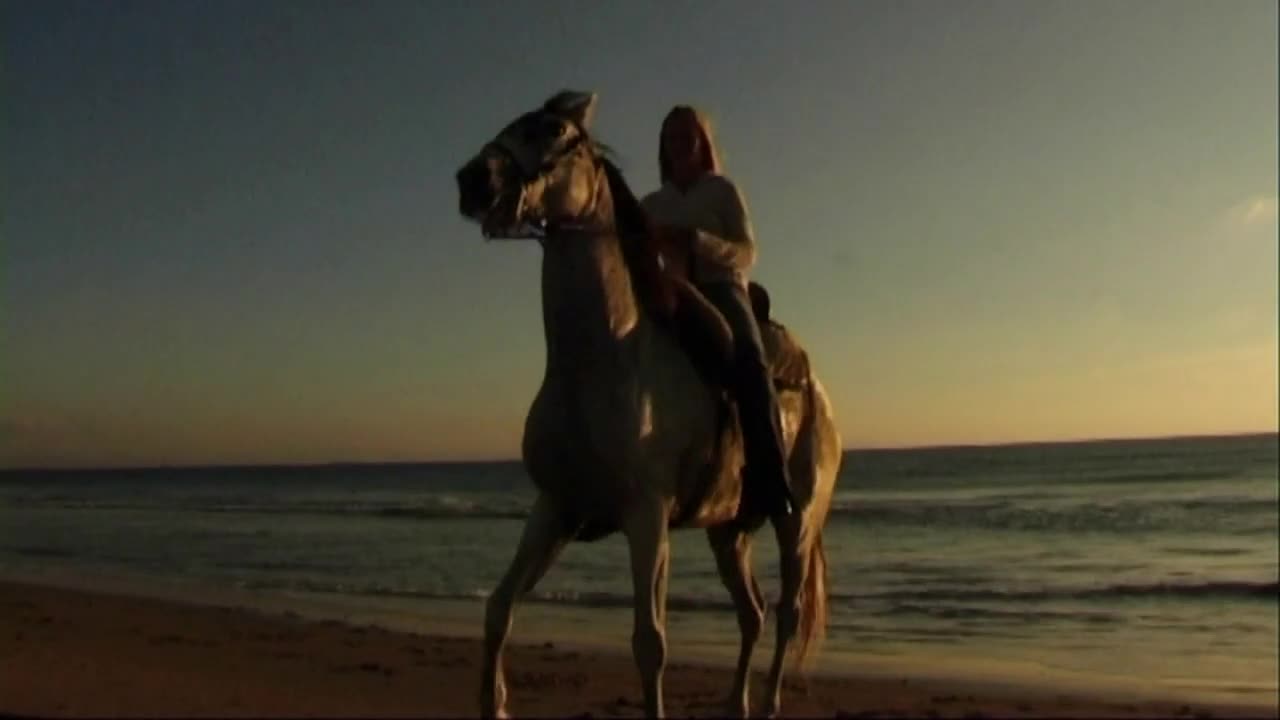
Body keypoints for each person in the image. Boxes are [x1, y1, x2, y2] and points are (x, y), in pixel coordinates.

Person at [640, 105, 796, 520]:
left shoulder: (722, 191)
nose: (679, 144)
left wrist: (696, 241)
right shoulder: (652, 203)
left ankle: (770, 482)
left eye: (687, 136)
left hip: (720, 287)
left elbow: (747, 252)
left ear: (703, 142)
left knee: (748, 358)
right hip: (671, 293)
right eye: (671, 137)